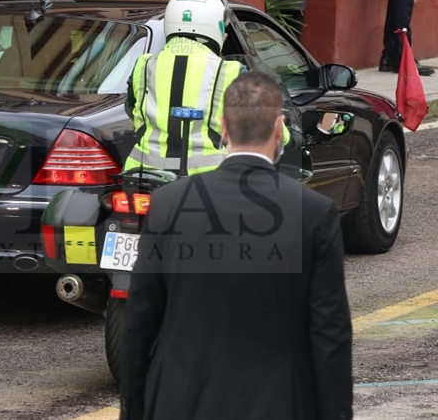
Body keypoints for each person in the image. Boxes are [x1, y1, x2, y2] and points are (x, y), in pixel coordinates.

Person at [120, 70, 353, 420]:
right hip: (277, 403)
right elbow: (330, 334)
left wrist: (133, 411)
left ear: (224, 128)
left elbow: (139, 322)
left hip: (178, 401)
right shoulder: (314, 213)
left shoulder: (169, 205)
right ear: (279, 129)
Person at [123, 0, 287, 176]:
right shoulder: (231, 71)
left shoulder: (143, 66)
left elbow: (132, 110)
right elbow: (265, 127)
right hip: (207, 180)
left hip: (143, 175)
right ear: (216, 28)